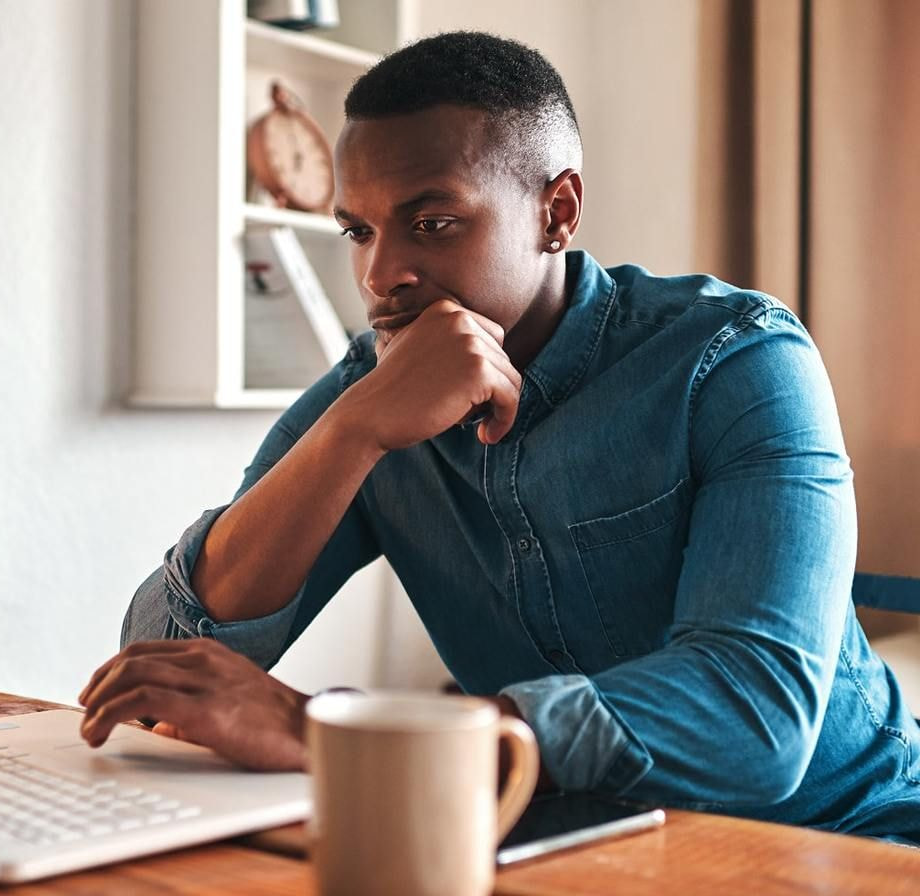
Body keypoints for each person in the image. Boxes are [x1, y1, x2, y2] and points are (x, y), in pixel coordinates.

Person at [78, 31, 920, 841]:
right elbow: (163, 663)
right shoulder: (369, 393)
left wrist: (340, 731)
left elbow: (755, 715)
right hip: (571, 836)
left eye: (432, 223)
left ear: (557, 211)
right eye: (358, 231)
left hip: (846, 831)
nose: (380, 276)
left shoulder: (735, 358)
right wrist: (353, 433)